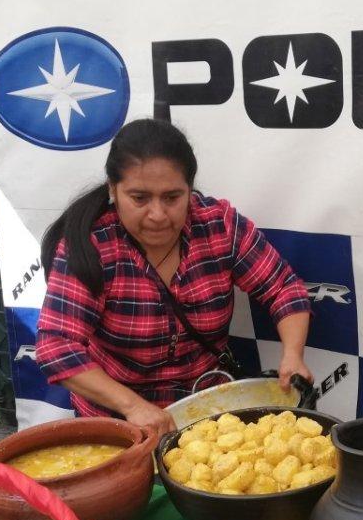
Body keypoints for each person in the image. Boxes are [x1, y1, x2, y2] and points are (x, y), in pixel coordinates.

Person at [36, 118, 313, 437]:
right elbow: (56, 347)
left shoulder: (219, 226)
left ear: (189, 190)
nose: (157, 215)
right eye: (139, 198)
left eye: (172, 197)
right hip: (117, 424)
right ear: (114, 190)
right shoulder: (91, 246)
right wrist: (132, 406)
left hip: (212, 417)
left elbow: (284, 289)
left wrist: (293, 354)